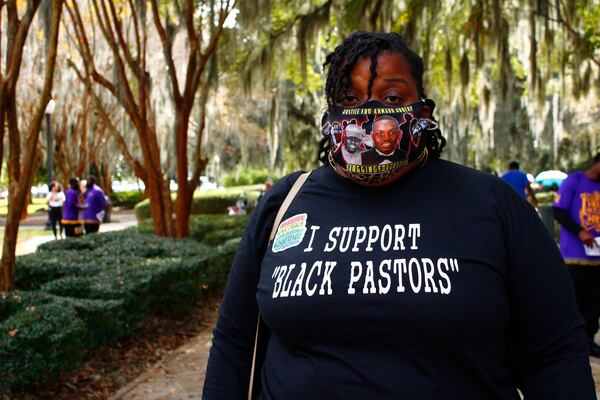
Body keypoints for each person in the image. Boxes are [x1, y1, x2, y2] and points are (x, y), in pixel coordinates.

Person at [203, 32, 595, 399]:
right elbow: (235, 340)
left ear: (423, 110)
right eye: (350, 99)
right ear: (330, 114)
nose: (371, 114)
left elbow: (554, 354)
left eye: (391, 98)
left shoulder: (492, 206)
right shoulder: (285, 203)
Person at [553, 153, 600, 358]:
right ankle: (572, 341)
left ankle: (589, 340)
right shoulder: (574, 180)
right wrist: (580, 231)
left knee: (595, 302)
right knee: (575, 299)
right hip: (575, 255)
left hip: (597, 255)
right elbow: (559, 211)